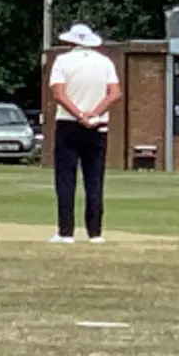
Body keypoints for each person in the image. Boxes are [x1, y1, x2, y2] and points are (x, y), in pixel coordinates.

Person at [49, 23, 121, 244]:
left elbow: (59, 94)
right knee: (95, 180)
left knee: (65, 180)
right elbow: (115, 93)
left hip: (69, 124)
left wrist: (79, 114)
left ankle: (66, 232)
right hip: (97, 125)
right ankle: (95, 233)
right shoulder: (105, 62)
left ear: (71, 41)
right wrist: (94, 114)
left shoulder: (62, 61)